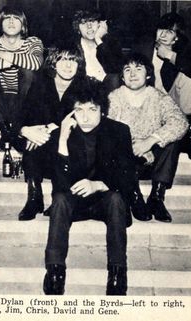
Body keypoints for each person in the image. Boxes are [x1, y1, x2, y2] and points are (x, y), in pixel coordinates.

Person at [42, 80, 136, 296]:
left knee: (115, 199)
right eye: (79, 110)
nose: (85, 116)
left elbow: (128, 176)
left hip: (104, 201)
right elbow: (60, 185)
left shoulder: (119, 131)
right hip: (74, 202)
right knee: (59, 200)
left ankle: (117, 274)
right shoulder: (61, 135)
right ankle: (55, 273)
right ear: (71, 113)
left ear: (102, 111)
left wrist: (98, 184)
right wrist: (63, 141)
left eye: (92, 110)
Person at [16, 43, 97, 221]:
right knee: (33, 139)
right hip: (42, 150)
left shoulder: (86, 86)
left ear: (79, 65)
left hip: (72, 148)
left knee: (51, 137)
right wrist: (26, 130)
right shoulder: (40, 84)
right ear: (53, 63)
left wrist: (51, 128)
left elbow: (87, 120)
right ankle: (34, 196)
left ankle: (58, 196)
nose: (68, 66)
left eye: (73, 61)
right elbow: (21, 115)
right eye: (63, 60)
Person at [108, 53, 188, 223]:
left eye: (138, 69)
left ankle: (157, 197)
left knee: (173, 140)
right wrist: (135, 148)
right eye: (127, 70)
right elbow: (107, 132)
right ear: (122, 77)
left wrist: (150, 141)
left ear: (148, 74)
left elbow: (180, 122)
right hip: (126, 165)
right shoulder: (113, 98)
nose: (133, 74)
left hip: (154, 162)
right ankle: (135, 197)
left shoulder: (158, 97)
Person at [130, 12, 191, 162]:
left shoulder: (184, 49)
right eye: (161, 30)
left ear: (176, 37)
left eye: (169, 31)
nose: (163, 34)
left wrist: (171, 56)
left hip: (175, 100)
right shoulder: (143, 46)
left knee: (187, 77)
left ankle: (189, 132)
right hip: (150, 99)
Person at [0, 5, 44, 151]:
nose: (11, 22)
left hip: (23, 103)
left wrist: (3, 55)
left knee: (28, 71)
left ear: (23, 25)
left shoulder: (33, 42)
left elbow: (36, 63)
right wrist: (18, 59)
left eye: (16, 18)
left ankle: (12, 132)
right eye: (6, 18)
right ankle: (6, 132)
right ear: (0, 23)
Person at [72, 9, 123, 93]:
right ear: (78, 28)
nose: (89, 26)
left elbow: (115, 71)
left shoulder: (111, 44)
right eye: (83, 22)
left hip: (105, 90)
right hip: (82, 90)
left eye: (92, 21)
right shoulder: (73, 46)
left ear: (100, 24)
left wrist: (98, 40)